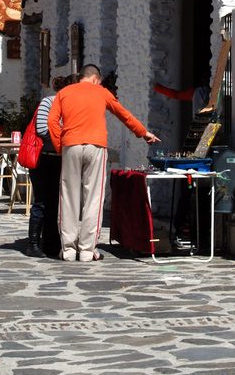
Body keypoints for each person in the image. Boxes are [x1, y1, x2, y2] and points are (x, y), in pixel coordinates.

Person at [48, 64, 159, 262]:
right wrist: (143, 132)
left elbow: (52, 121)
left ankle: (68, 249)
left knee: (68, 196)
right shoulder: (102, 92)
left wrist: (60, 146)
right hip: (96, 146)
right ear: (95, 79)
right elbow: (123, 113)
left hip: (70, 146)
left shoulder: (64, 92)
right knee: (93, 197)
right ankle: (87, 251)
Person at [26, 76, 70, 257]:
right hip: (43, 159)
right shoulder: (48, 102)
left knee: (55, 202)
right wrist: (66, 136)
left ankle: (51, 242)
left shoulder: (71, 106)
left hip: (60, 159)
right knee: (41, 201)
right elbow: (43, 130)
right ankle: (33, 244)